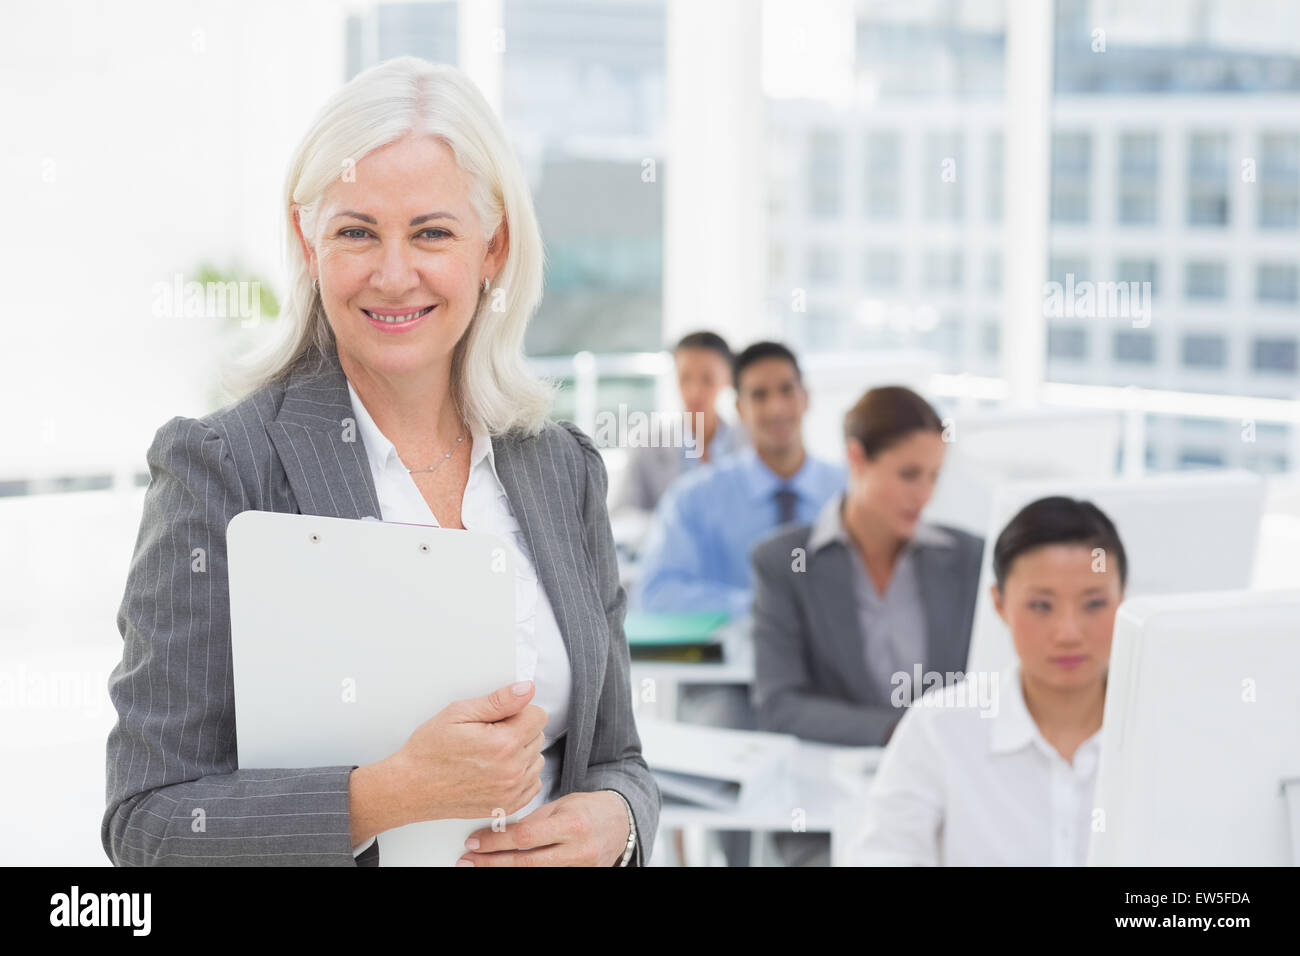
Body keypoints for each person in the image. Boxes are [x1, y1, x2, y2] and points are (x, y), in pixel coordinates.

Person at [103, 56, 658, 867]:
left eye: (432, 232)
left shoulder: (560, 468)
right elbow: (147, 823)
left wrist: (619, 820)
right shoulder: (223, 468)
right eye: (356, 232)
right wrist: (392, 792)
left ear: (492, 248)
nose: (394, 275)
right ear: (308, 240)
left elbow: (622, 759)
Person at [750, 385, 982, 866]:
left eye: (934, 476)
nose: (925, 495)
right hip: (828, 801)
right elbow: (781, 705)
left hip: (950, 797)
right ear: (858, 458)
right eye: (908, 474)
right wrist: (902, 729)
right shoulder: (784, 562)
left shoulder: (969, 559)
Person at [853, 496, 1127, 866]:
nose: (1068, 633)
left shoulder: (1165, 733)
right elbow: (884, 855)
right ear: (999, 604)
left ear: (1123, 601)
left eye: (1094, 604)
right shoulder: (941, 727)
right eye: (1041, 606)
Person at [635, 341, 843, 617]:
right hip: (736, 654)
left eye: (786, 390)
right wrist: (762, 607)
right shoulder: (693, 498)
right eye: (759, 395)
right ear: (739, 408)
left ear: (806, 397)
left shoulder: (850, 491)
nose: (776, 408)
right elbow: (656, 594)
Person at [612, 330, 746, 516]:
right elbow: (622, 516)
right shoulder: (646, 441)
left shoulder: (748, 443)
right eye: (685, 378)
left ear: (728, 378)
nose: (694, 391)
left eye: (707, 379)